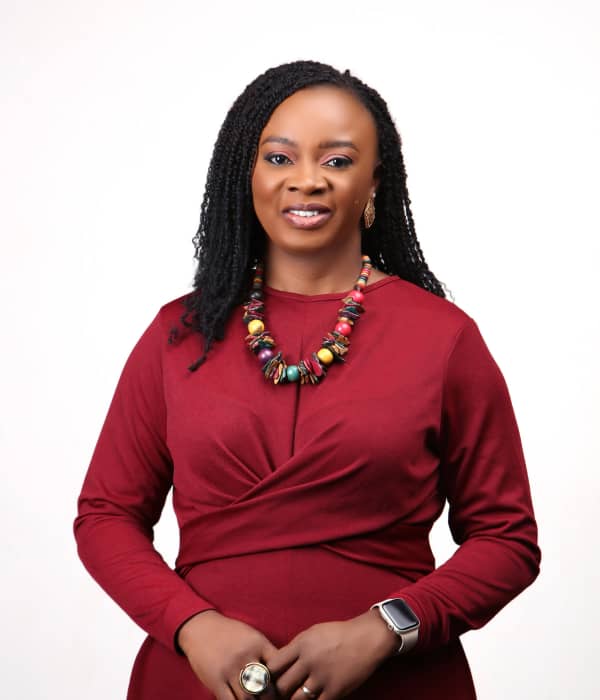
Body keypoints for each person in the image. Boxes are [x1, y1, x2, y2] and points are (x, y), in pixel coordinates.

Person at [74, 60, 540, 700]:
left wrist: (385, 629)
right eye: (279, 157)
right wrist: (192, 627)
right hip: (194, 682)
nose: (307, 180)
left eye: (338, 161)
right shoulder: (178, 333)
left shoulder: (445, 338)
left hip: (398, 684)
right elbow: (106, 516)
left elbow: (507, 539)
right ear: (247, 174)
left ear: (375, 182)